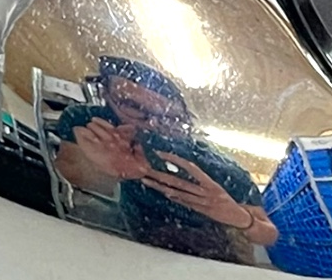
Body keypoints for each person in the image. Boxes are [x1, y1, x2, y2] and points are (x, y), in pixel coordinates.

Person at [53, 57, 278, 262]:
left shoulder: (216, 168)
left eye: (169, 118)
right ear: (105, 94)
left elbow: (267, 234)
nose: (150, 125)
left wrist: (237, 216)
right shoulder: (90, 122)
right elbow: (69, 178)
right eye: (133, 106)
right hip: (116, 245)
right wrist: (110, 171)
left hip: (209, 254)